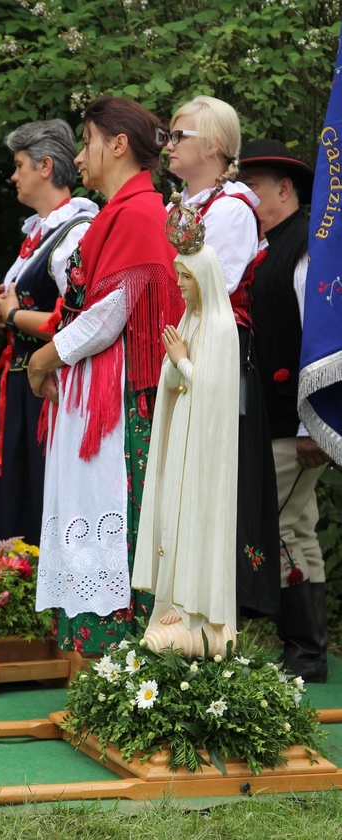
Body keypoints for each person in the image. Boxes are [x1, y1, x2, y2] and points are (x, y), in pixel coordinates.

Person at [27, 96, 181, 655]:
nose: (80, 153)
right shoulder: (119, 211)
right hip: (97, 390)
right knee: (90, 512)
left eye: (88, 139)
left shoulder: (138, 211)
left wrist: (45, 357)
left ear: (118, 145)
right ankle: (100, 665)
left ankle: (123, 661)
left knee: (110, 515)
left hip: (115, 398)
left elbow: (111, 311)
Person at [165, 95, 280, 619]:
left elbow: (213, 292)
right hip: (179, 349)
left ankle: (214, 613)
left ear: (212, 147)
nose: (168, 145)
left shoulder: (232, 209)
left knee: (213, 480)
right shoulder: (181, 208)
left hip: (212, 356)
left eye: (178, 136)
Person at [238, 139, 330, 681]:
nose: (245, 197)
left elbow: (317, 343)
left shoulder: (304, 252)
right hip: (269, 421)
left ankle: (307, 653)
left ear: (284, 189)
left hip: (292, 422)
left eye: (252, 186)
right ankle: (302, 650)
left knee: (286, 527)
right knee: (289, 527)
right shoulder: (268, 248)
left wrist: (308, 423)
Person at [0, 119, 98, 547]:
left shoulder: (77, 231)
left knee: (42, 488)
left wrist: (13, 316)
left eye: (18, 165)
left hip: (53, 384)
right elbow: (29, 305)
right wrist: (3, 313)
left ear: (45, 166)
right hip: (23, 381)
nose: (13, 176)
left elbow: (79, 315)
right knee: (18, 488)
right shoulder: (38, 233)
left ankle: (41, 598)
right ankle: (12, 590)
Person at [132, 204, 239, 659]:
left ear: (204, 278)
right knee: (172, 514)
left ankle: (197, 614)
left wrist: (179, 360)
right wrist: (174, 365)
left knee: (195, 516)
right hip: (182, 439)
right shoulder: (193, 320)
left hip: (204, 449)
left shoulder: (219, 326)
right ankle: (173, 600)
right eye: (178, 275)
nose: (179, 284)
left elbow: (214, 390)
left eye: (186, 277)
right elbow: (177, 384)